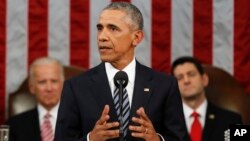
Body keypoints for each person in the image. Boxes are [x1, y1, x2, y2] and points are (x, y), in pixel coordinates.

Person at [55, 2, 188, 141]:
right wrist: (90, 139)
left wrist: (157, 139)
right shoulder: (76, 87)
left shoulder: (165, 86)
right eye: (100, 28)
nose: (102, 37)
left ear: (136, 37)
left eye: (113, 29)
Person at [171, 56, 242, 141]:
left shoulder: (232, 120)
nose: (186, 81)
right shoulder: (166, 123)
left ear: (204, 80)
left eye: (191, 74)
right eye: (179, 78)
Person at [6, 57, 65, 141]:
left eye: (54, 81)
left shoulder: (78, 121)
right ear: (32, 87)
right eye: (42, 82)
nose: (49, 88)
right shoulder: (14, 125)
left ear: (62, 85)